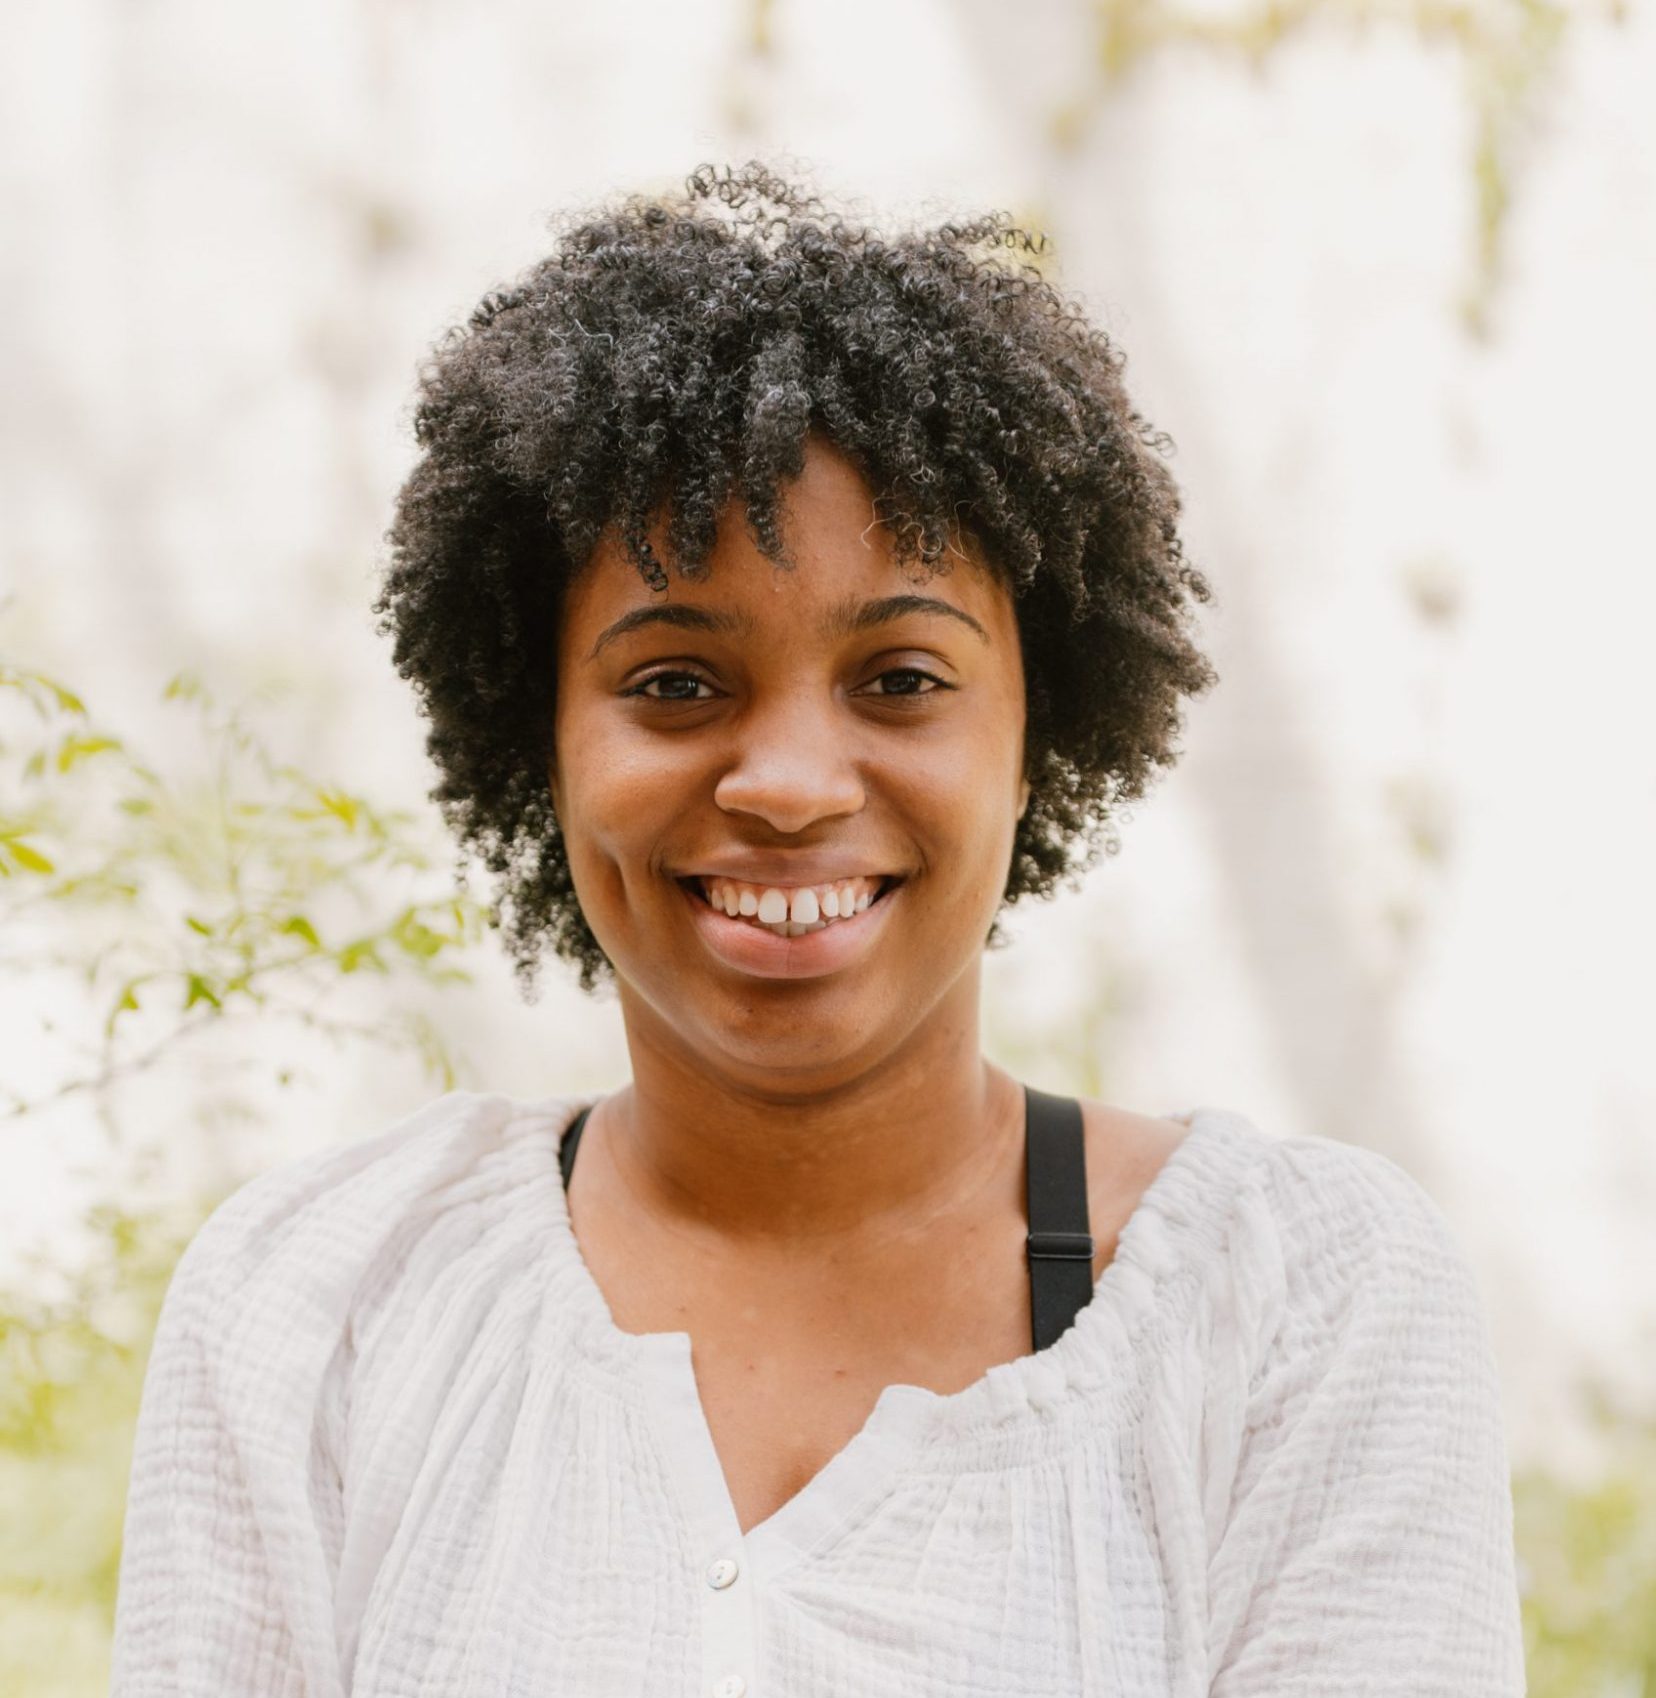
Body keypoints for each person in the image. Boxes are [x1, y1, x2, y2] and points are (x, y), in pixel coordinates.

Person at [110, 160, 1526, 1696]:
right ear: (542, 739)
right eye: (673, 682)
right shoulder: (319, 1305)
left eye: (903, 677)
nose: (786, 784)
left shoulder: (1297, 1309)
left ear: (1038, 731)